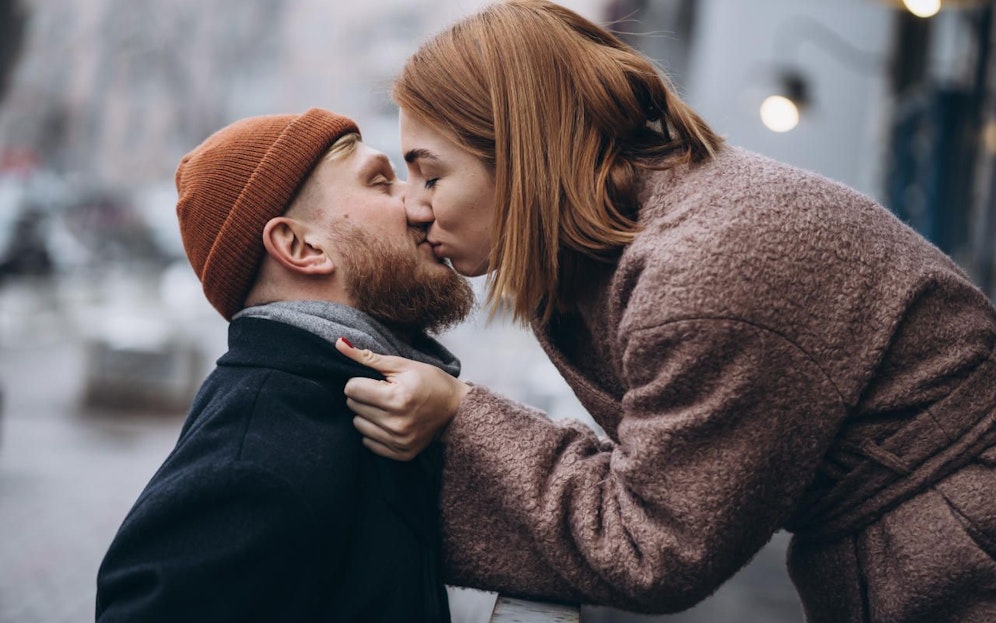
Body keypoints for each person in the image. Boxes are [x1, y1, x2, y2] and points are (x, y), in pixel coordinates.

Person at [334, 2, 996, 622]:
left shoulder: (701, 274)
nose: (414, 207)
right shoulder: (636, 242)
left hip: (960, 560)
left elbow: (651, 545)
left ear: (519, 151)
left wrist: (459, 411)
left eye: (430, 173)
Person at [96, 108, 474, 622]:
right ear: (300, 246)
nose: (418, 203)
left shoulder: (357, 400)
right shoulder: (259, 454)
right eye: (381, 183)